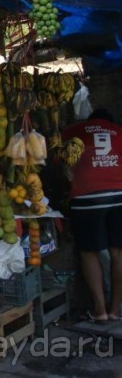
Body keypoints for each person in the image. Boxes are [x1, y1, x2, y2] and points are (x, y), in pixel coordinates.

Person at [62, 108, 122, 322]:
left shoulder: (73, 130)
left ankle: (100, 311)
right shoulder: (119, 131)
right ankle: (115, 310)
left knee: (89, 252)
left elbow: (60, 160)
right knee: (118, 254)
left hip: (88, 199)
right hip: (120, 195)